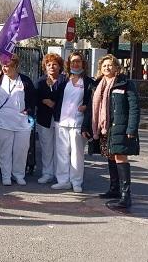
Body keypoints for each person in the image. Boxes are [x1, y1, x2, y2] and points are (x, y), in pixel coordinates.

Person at [91, 54, 140, 208]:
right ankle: (114, 189)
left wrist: (132, 127)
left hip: (120, 126)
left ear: (117, 68)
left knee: (120, 157)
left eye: (110, 65)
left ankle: (126, 196)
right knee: (110, 156)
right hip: (105, 128)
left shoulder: (125, 83)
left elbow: (134, 107)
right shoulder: (98, 84)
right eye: (104, 66)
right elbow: (94, 108)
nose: (107, 68)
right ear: (101, 69)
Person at [51, 51, 95, 193]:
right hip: (61, 121)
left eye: (78, 61)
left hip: (78, 122)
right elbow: (54, 96)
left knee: (77, 154)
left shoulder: (88, 82)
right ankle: (63, 181)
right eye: (73, 61)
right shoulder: (63, 80)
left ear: (83, 63)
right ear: (69, 64)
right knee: (62, 153)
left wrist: (87, 106)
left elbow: (95, 101)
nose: (75, 64)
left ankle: (76, 182)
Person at [0, 54, 36, 186]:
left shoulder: (25, 81)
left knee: (21, 149)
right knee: (5, 149)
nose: (5, 68)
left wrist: (28, 110)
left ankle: (18, 174)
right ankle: (6, 175)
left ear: (16, 66)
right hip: (2, 120)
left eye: (8, 66)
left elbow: (32, 99)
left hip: (21, 121)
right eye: (3, 65)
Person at [34, 53, 66, 185]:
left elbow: (67, 99)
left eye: (54, 64)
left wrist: (54, 104)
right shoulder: (40, 81)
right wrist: (43, 101)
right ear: (45, 67)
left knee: (61, 148)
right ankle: (47, 173)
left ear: (60, 66)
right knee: (46, 147)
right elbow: (34, 98)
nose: (51, 67)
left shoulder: (65, 81)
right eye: (48, 65)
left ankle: (61, 175)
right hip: (44, 119)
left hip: (61, 118)